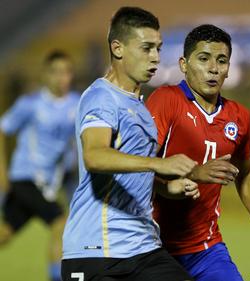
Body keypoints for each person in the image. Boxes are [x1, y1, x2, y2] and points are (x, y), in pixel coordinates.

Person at [61, 7, 199, 281]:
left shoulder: (140, 107)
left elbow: (128, 173)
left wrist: (165, 187)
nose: (156, 58)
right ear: (118, 48)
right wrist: (159, 164)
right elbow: (95, 156)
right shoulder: (102, 98)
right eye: (146, 48)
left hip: (144, 249)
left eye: (158, 49)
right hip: (96, 253)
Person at [146, 24, 250, 281]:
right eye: (203, 59)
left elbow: (245, 174)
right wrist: (192, 174)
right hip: (152, 246)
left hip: (206, 249)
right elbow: (140, 168)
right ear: (184, 64)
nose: (213, 68)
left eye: (222, 60)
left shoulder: (239, 118)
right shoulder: (166, 100)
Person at [0, 50, 80, 281]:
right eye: (55, 72)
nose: (61, 77)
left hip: (47, 183)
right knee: (60, 223)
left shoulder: (77, 104)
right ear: (46, 74)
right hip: (25, 177)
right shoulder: (31, 104)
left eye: (66, 72)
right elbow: (3, 129)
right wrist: (2, 172)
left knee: (5, 234)